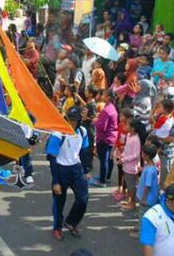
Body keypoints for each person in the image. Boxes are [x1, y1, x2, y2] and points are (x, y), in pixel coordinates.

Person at [46, 106, 89, 241]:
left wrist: (86, 170)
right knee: (59, 202)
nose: (71, 123)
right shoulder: (58, 133)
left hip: (76, 168)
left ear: (79, 121)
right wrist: (56, 181)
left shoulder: (82, 132)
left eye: (74, 120)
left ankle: (71, 222)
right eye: (69, 119)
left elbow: (84, 150)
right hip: (61, 169)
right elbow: (52, 158)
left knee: (83, 198)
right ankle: (57, 228)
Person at [132, 144, 160, 239]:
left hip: (147, 199)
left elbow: (148, 186)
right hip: (148, 198)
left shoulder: (150, 170)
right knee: (143, 214)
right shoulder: (150, 166)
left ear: (147, 156)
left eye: (143, 153)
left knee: (143, 216)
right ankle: (140, 229)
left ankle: (141, 234)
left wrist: (143, 198)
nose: (141, 155)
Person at [91, 89, 118, 187]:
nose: (102, 96)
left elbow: (102, 127)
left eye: (103, 95)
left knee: (104, 159)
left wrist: (95, 121)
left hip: (105, 138)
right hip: (111, 137)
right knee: (109, 159)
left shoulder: (107, 110)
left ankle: (102, 181)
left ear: (108, 98)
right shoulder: (111, 107)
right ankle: (107, 177)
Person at [120, 118, 143, 212]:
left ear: (133, 128)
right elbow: (126, 148)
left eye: (128, 125)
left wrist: (125, 159)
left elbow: (136, 155)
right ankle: (130, 201)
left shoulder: (136, 139)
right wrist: (122, 156)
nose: (126, 126)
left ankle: (132, 203)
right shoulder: (129, 135)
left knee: (131, 186)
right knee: (128, 184)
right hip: (126, 165)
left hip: (132, 167)